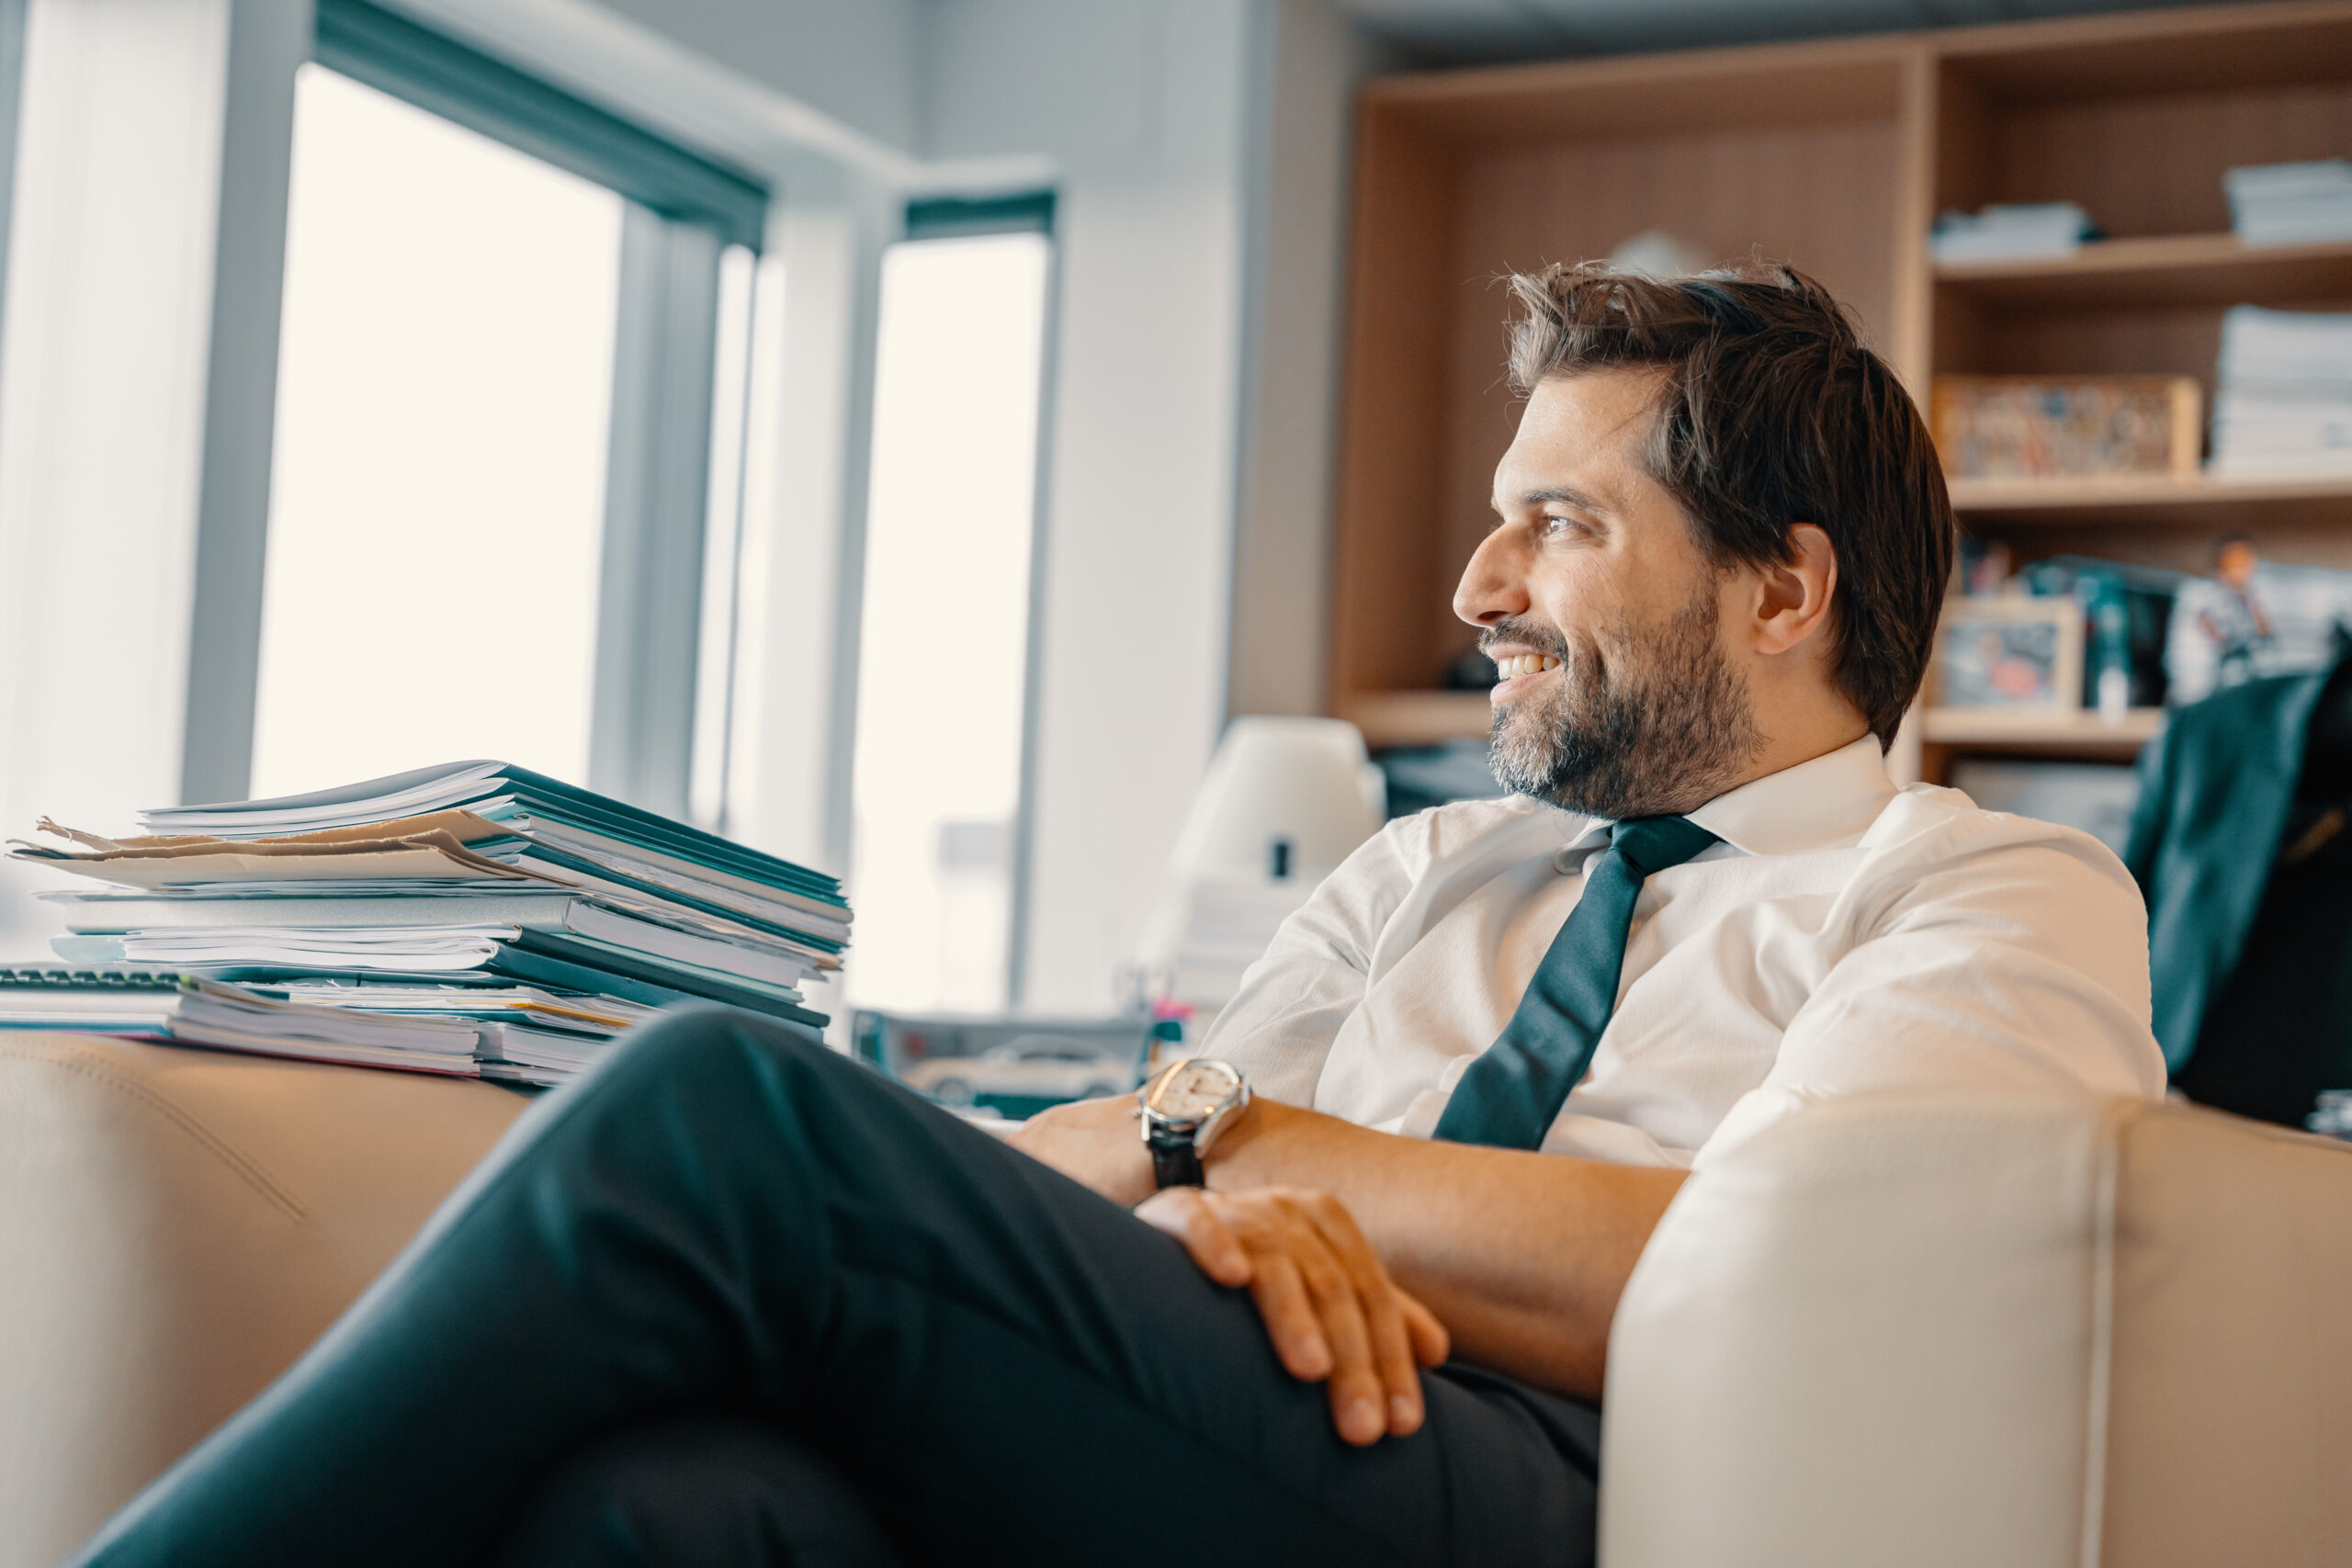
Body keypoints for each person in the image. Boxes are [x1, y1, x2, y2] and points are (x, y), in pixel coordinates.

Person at [69, 264, 2165, 1568]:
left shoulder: (1979, 890)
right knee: (678, 1515)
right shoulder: (1424, 867)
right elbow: (1120, 1163)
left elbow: (1778, 1287)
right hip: (1272, 1402)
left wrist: (1253, 1154)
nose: (1472, 588)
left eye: (1556, 521)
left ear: (1783, 591)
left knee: (730, 1109)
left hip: (1581, 1492)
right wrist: (1203, 1184)